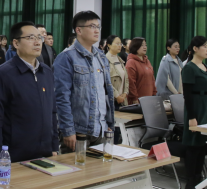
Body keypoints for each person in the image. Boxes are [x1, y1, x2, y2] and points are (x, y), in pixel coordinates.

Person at [0, 20, 59, 161]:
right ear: (16, 43)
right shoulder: (2, 75)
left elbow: (52, 112)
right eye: (30, 38)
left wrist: (54, 146)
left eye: (39, 38)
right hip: (14, 156)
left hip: (45, 153)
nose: (37, 42)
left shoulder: (46, 72)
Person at [53, 11, 114, 153]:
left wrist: (109, 124)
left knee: (102, 167)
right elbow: (61, 97)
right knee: (76, 166)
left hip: (101, 129)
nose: (97, 30)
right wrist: (68, 130)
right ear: (78, 30)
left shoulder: (101, 57)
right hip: (78, 131)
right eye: (92, 26)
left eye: (98, 26)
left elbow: (105, 93)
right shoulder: (66, 58)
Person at [182, 36, 207, 189]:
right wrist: (192, 117)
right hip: (195, 110)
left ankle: (199, 182)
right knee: (193, 147)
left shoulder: (206, 66)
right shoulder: (189, 68)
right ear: (195, 49)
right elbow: (187, 95)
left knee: (202, 147)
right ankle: (190, 184)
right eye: (205, 47)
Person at [125, 37, 156, 104]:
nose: (145, 47)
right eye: (142, 45)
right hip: (137, 100)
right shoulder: (131, 62)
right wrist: (134, 98)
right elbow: (131, 83)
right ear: (135, 46)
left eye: (145, 45)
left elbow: (152, 78)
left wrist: (154, 93)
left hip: (149, 98)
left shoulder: (147, 61)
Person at [105, 35, 129, 108]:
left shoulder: (120, 60)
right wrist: (117, 96)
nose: (119, 46)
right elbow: (106, 81)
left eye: (120, 44)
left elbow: (126, 79)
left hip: (123, 100)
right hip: (111, 100)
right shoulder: (105, 60)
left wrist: (125, 93)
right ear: (109, 45)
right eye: (117, 43)